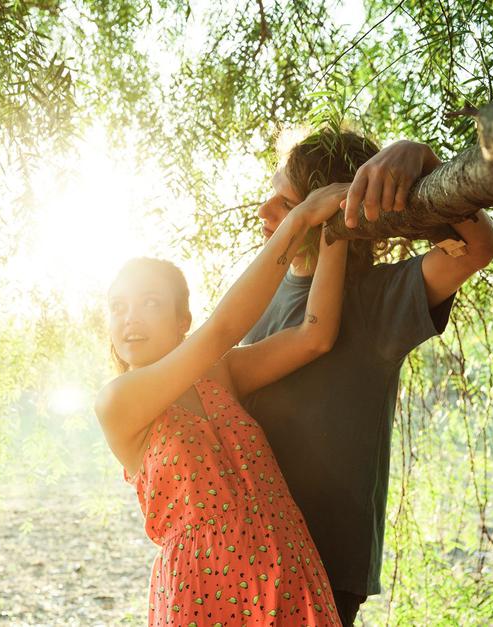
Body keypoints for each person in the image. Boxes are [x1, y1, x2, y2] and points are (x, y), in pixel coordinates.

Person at [241, 129, 493, 625]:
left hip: (323, 565)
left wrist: (420, 156)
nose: (265, 211)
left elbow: (479, 245)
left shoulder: (379, 302)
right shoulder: (264, 293)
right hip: (250, 554)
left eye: (287, 202)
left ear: (334, 212)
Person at [96, 183, 351, 626]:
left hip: (287, 570)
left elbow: (315, 336)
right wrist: (300, 218)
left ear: (182, 321)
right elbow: (221, 329)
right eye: (118, 306)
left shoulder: (220, 373)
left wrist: (336, 228)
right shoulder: (119, 401)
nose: (130, 318)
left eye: (150, 303)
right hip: (203, 591)